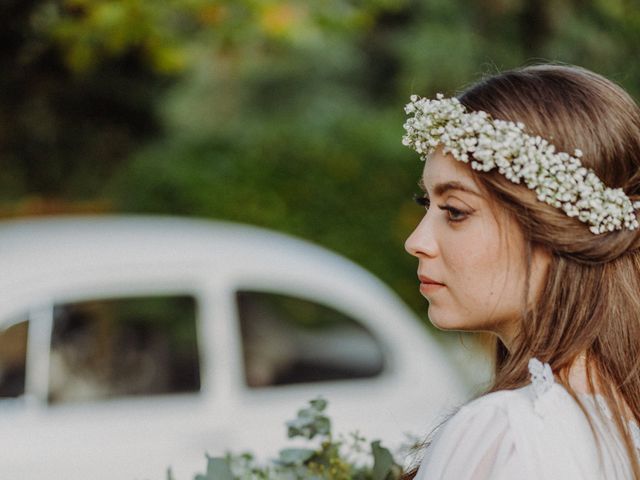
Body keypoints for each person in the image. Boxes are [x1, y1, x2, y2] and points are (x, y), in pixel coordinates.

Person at [402, 64, 640, 479]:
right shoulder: (623, 431)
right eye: (427, 204)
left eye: (455, 211)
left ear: (555, 228)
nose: (416, 241)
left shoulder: (507, 430)